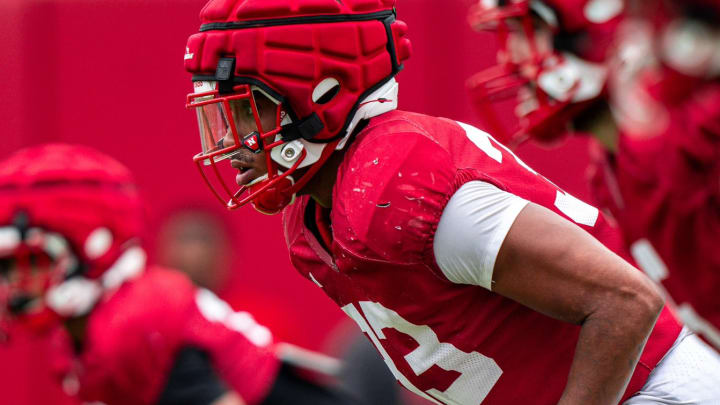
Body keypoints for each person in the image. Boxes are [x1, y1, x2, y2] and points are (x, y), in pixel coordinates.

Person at [182, 0, 719, 404]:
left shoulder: (397, 184)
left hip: (657, 388)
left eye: (249, 108)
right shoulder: (313, 219)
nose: (229, 141)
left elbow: (625, 303)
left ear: (319, 93)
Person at [0, 144, 364, 405]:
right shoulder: (84, 337)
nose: (15, 282)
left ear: (91, 248)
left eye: (32, 261)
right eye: (7, 266)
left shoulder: (135, 324)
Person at [468, 0, 720, 351]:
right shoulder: (611, 169)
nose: (508, 55)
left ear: (606, 31)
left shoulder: (696, 135)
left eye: (530, 29)